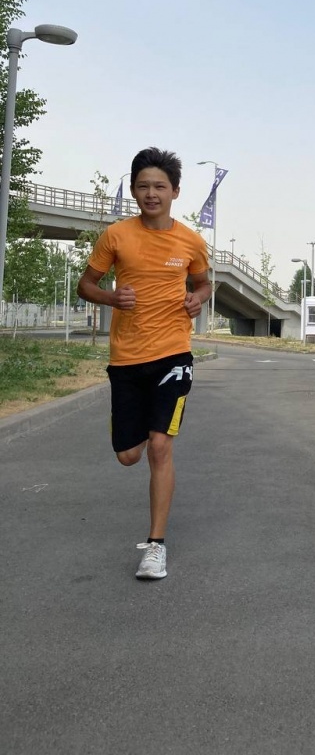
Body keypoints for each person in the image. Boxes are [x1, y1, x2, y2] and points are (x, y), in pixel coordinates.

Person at [77, 148, 211, 579]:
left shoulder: (190, 240)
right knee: (128, 455)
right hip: (127, 357)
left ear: (175, 191)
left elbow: (205, 283)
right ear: (134, 190)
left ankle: (156, 546)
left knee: (159, 446)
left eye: (159, 187)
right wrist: (112, 297)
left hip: (173, 353)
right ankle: (128, 436)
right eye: (143, 186)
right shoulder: (116, 236)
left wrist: (197, 298)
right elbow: (86, 284)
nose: (151, 194)